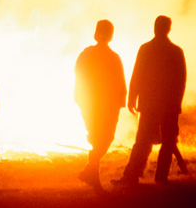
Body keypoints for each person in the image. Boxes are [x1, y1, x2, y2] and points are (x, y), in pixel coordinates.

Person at [118, 15, 186, 186]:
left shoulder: (146, 49)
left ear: (156, 28)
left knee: (142, 140)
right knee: (168, 141)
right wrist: (177, 102)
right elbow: (181, 80)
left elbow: (137, 74)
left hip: (150, 103)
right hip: (168, 103)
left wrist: (132, 97)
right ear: (168, 29)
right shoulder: (176, 51)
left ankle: (131, 176)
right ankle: (160, 176)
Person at [74, 19, 127, 192]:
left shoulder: (87, 54)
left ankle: (90, 172)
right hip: (101, 103)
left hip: (93, 103)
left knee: (100, 138)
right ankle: (92, 175)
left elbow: (79, 75)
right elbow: (120, 81)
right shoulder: (111, 57)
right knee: (103, 138)